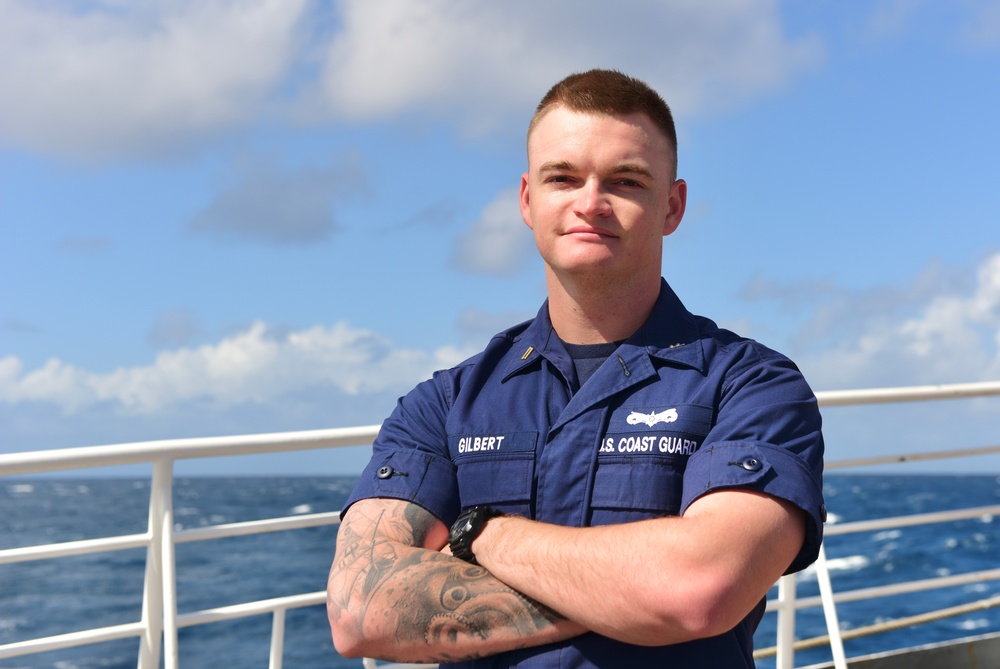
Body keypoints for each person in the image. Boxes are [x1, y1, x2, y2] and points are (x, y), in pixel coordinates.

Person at [326, 69, 825, 668]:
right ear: (527, 200)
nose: (590, 203)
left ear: (672, 206)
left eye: (625, 180)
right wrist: (634, 597)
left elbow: (700, 590)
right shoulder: (445, 403)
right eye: (562, 178)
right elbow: (362, 610)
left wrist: (480, 534)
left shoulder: (753, 387)